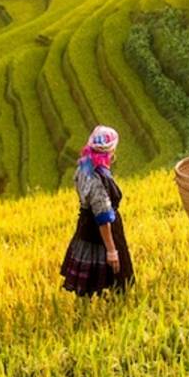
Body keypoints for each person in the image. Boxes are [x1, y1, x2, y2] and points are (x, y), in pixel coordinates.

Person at [60, 125, 134, 296]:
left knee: (87, 283)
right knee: (118, 279)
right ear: (111, 151)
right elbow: (103, 217)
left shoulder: (84, 166)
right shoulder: (98, 177)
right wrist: (111, 250)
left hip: (85, 226)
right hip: (102, 229)